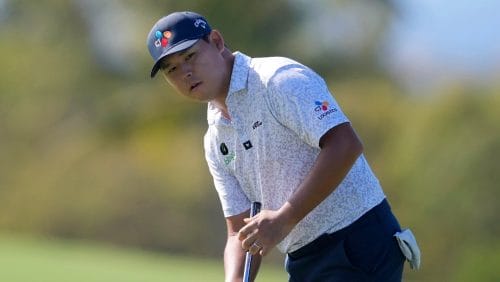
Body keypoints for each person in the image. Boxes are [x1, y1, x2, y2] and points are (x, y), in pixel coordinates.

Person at [146, 11, 419, 282]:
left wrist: (283, 219)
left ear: (217, 42)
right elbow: (238, 231)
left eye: (190, 56)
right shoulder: (215, 139)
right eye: (172, 69)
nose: (186, 73)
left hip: (358, 240)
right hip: (304, 257)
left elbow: (345, 144)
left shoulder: (277, 80)